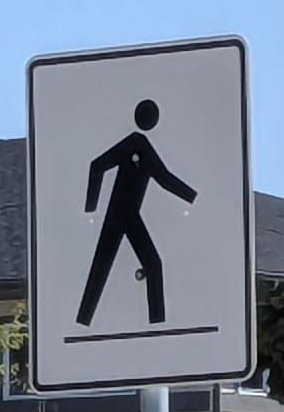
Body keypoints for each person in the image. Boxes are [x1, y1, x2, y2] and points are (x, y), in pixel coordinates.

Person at [77, 99, 197, 327]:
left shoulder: (143, 146)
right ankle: (85, 322)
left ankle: (157, 323)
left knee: (149, 264)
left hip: (129, 215)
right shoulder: (135, 143)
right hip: (119, 213)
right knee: (103, 267)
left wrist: (192, 197)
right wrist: (90, 208)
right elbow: (97, 165)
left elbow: (164, 178)